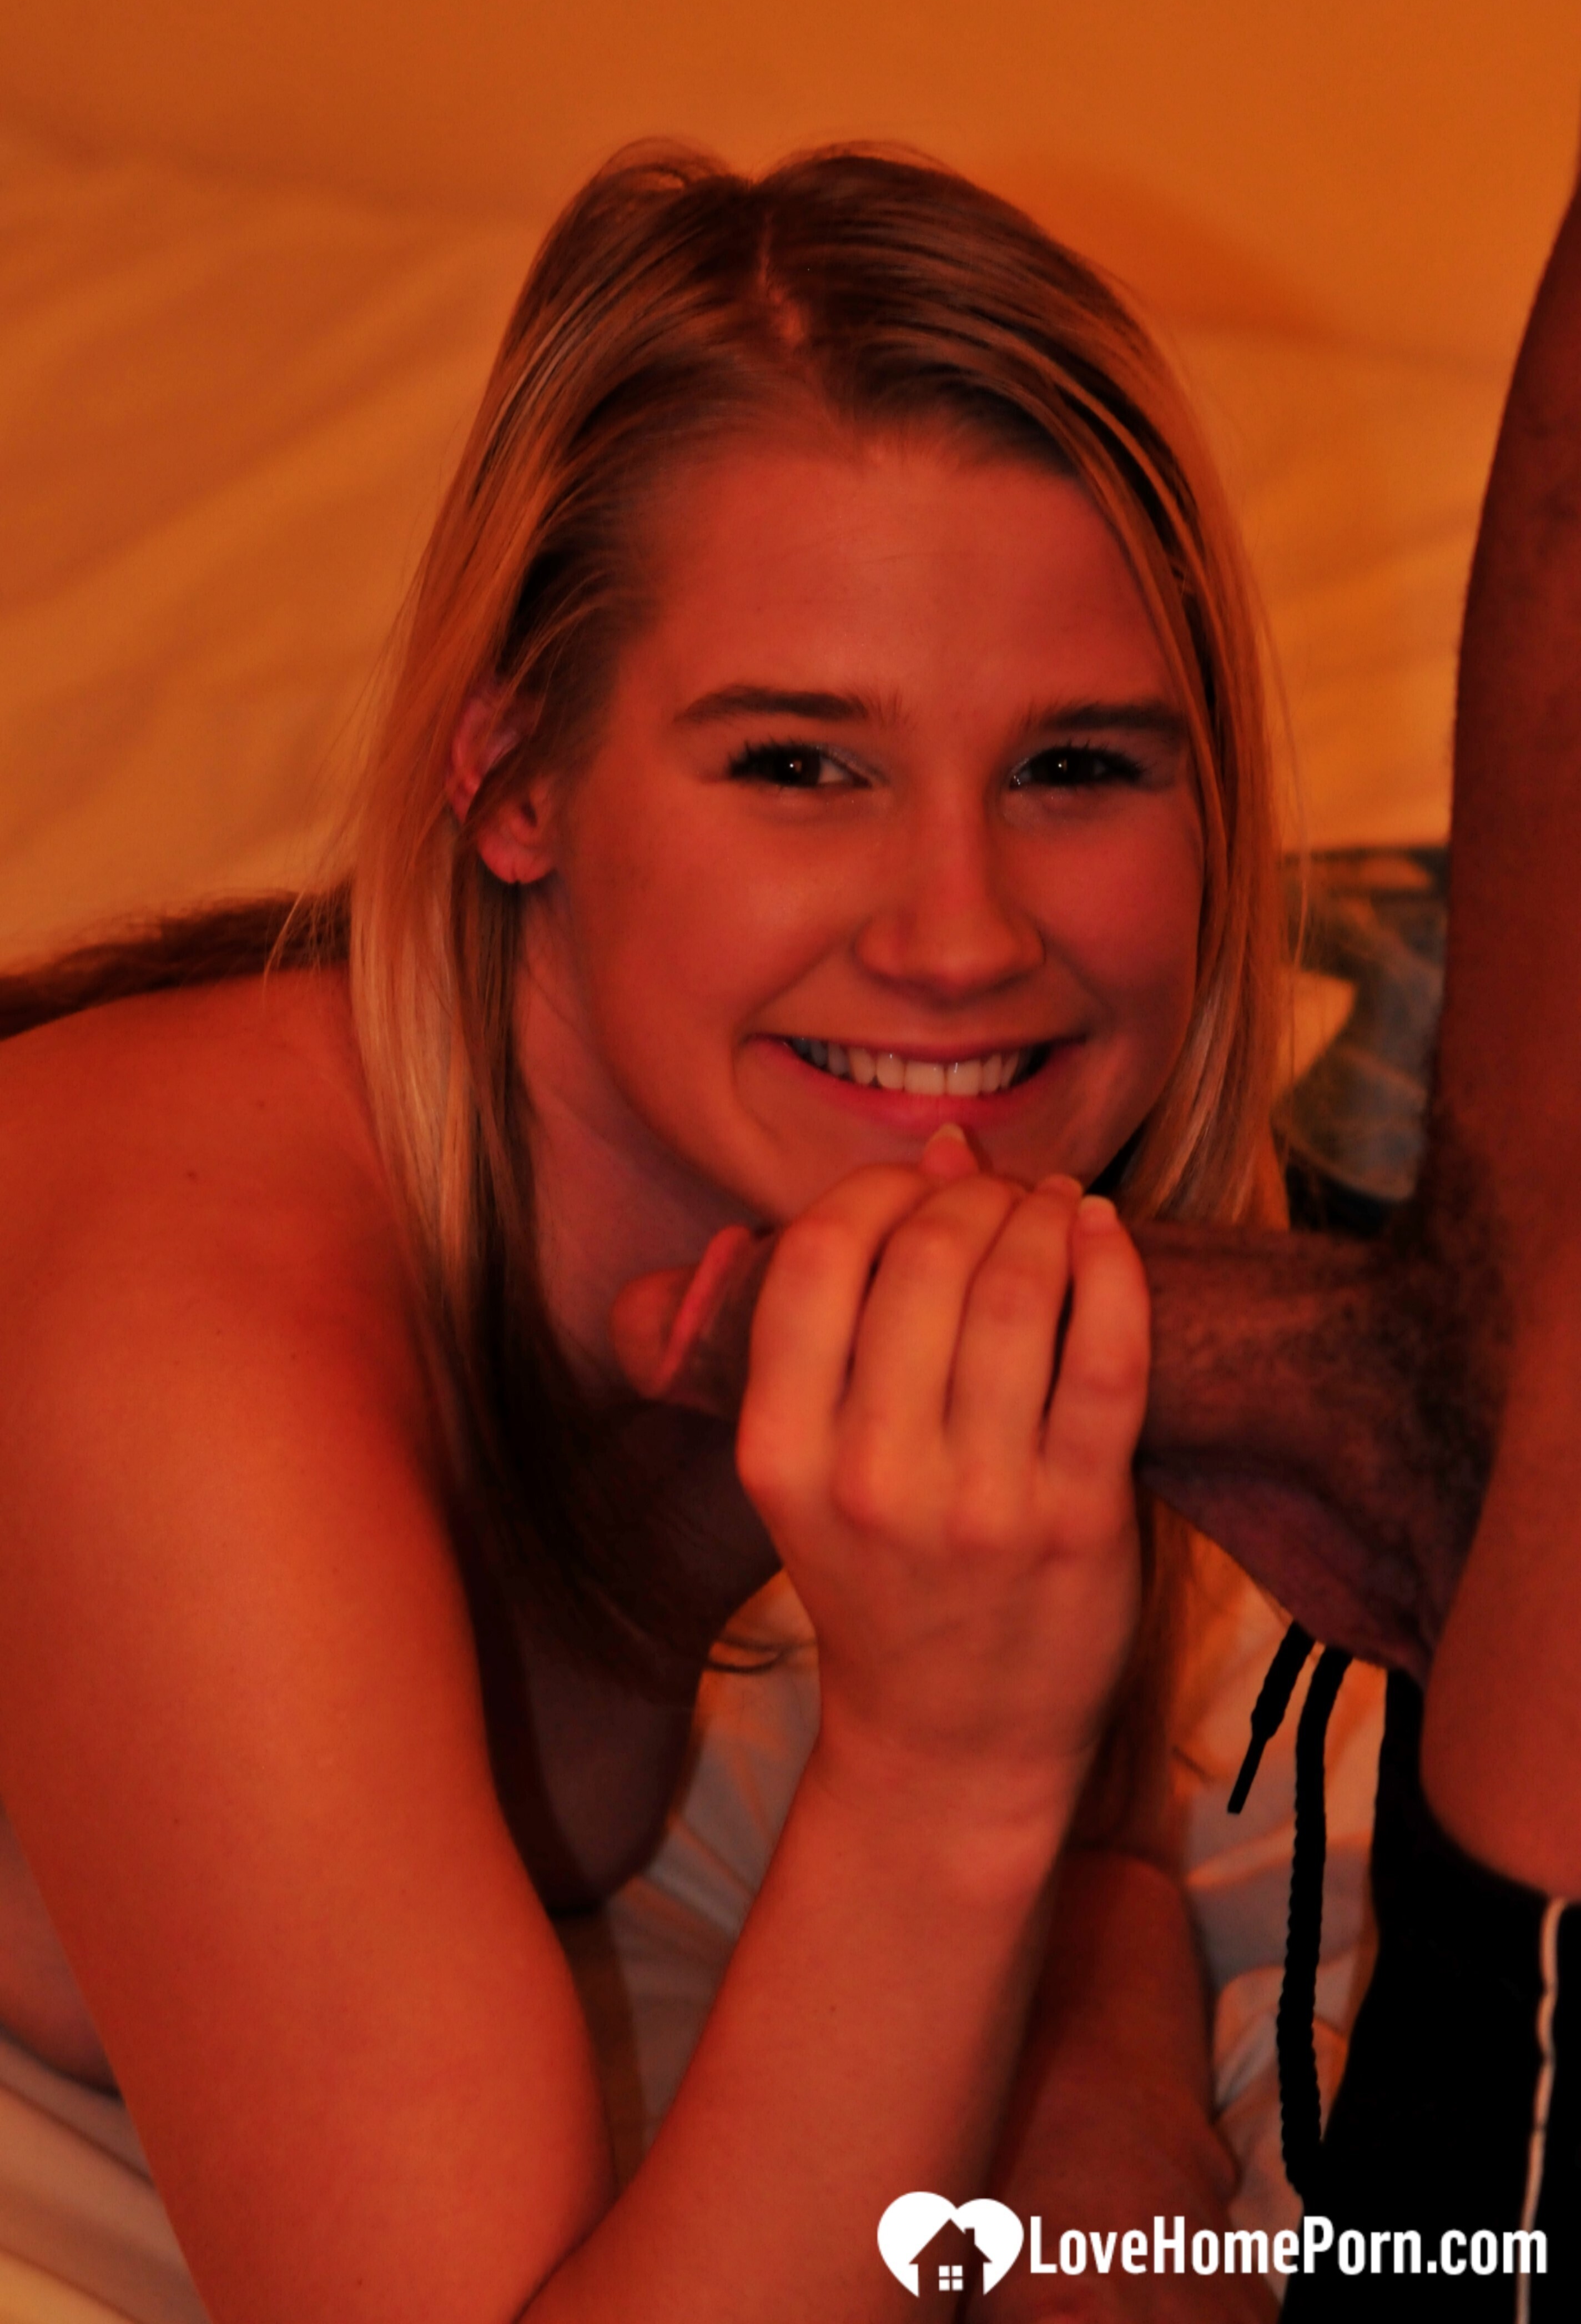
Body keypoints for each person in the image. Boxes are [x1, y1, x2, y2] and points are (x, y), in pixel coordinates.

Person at [0, 145, 1286, 2322]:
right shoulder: (195, 1354)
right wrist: (939, 1779)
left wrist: (1104, 2136)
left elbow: (1100, 1857)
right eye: (799, 766)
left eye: (1076, 766)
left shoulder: (879, 1229)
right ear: (513, 776)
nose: (964, 935)